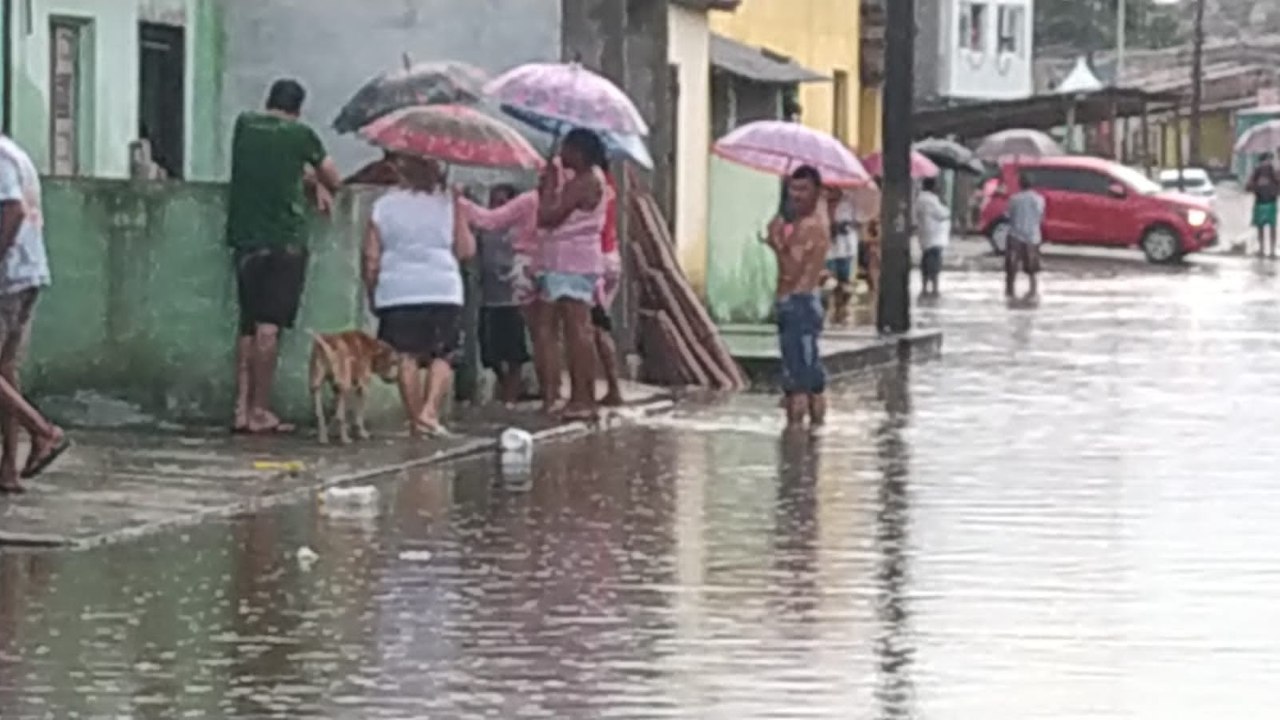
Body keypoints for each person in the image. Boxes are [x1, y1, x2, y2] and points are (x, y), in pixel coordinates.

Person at [226, 78, 341, 435]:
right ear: (298, 108)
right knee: (268, 327)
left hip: (244, 238)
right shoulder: (301, 135)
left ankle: (240, 409)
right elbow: (335, 177)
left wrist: (306, 179)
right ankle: (261, 409)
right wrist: (316, 183)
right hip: (284, 242)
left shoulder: (244, 125)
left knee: (246, 327)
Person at [363, 155, 474, 436]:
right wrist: (459, 207)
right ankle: (430, 413)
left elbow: (371, 257)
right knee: (444, 354)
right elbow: (465, 251)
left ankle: (416, 420)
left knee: (404, 356)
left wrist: (372, 290)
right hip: (442, 288)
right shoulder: (448, 202)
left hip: (397, 289)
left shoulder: (383, 206)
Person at [0, 136, 69, 493]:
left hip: (8, 276)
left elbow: (11, 207)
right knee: (6, 370)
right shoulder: (13, 151)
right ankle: (8, 469)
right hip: (25, 273)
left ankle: (43, 431)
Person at [535, 128, 609, 421]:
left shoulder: (584, 182)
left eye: (567, 148)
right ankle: (571, 394)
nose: (562, 154)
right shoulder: (587, 179)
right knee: (569, 328)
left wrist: (549, 187)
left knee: (577, 330)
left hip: (571, 262)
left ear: (580, 152)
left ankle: (582, 396)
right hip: (570, 260)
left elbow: (548, 216)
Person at [765, 166, 831, 429]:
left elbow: (792, 271)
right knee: (812, 380)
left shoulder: (808, 227)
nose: (796, 195)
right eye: (793, 188)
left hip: (797, 302)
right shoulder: (816, 222)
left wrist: (776, 243)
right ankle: (811, 447)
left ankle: (794, 448)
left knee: (797, 385)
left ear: (816, 191)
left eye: (803, 189)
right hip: (806, 302)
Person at [470, 184, 532, 406]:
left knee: (515, 353)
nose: (497, 208)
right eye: (493, 202)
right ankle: (505, 386)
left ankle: (510, 397)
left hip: (513, 298)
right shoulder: (484, 230)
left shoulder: (519, 230)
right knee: (490, 353)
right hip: (489, 298)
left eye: (502, 203)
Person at [586, 143, 625, 407]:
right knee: (597, 325)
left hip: (594, 260)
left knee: (590, 328)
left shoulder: (591, 184)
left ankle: (603, 388)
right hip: (612, 256)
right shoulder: (610, 183)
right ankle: (611, 386)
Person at [1005, 171, 1046, 300]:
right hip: (1032, 237)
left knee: (1011, 267)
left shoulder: (1014, 199)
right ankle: (1033, 291)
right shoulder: (1039, 199)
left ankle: (1010, 291)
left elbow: (1009, 216)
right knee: (1032, 268)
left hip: (1015, 236)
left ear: (1020, 184)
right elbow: (1041, 216)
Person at [825, 188, 857, 325]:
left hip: (845, 245)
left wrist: (842, 226)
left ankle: (842, 308)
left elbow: (856, 219)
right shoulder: (820, 199)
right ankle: (830, 308)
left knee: (844, 280)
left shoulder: (849, 200)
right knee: (828, 279)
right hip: (828, 246)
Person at [915, 177, 952, 297]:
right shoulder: (932, 200)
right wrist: (945, 204)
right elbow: (943, 214)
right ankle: (935, 287)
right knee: (934, 263)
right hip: (935, 237)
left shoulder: (920, 199)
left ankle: (925, 287)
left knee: (925, 261)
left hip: (926, 235)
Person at [1247, 153, 1279, 258]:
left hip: (1267, 201)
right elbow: (1249, 185)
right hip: (1263, 201)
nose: (1267, 163)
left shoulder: (1274, 170)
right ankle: (1265, 249)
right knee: (1265, 226)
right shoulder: (1257, 170)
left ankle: (1269, 250)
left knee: (1269, 226)